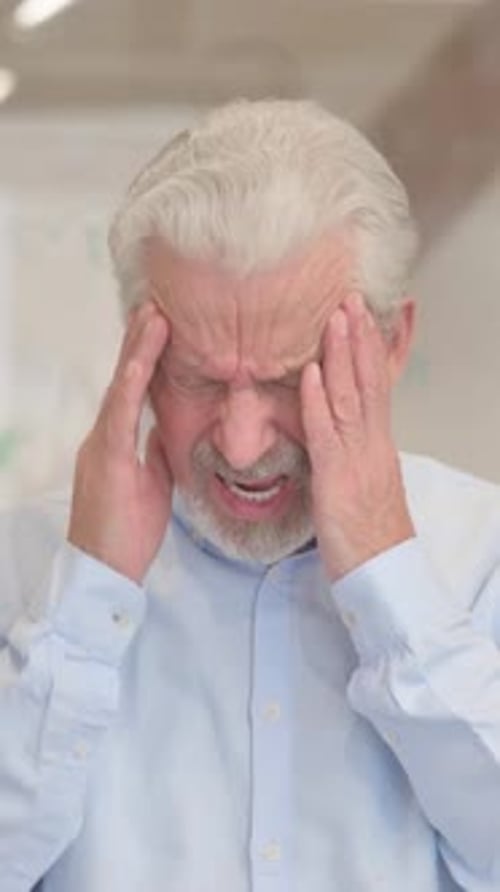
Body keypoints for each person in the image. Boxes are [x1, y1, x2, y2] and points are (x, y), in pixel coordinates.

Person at [1, 99, 500, 892]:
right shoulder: (26, 563)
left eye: (288, 380)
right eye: (196, 378)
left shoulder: (483, 556)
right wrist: (87, 600)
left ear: (392, 343)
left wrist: (387, 576)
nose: (240, 445)